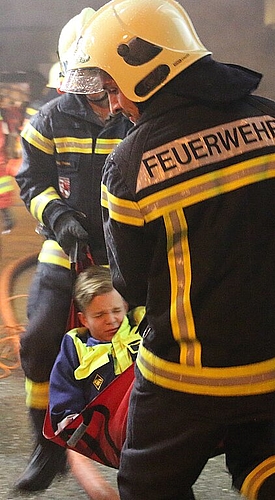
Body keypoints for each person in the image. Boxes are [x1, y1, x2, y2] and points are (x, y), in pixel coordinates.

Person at [60, 1, 275, 499]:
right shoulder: (270, 119)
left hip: (188, 376)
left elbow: (131, 284)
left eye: (112, 86)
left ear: (146, 70)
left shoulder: (130, 162)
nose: (113, 104)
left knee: (148, 484)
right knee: (261, 464)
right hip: (270, 360)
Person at [14, 7, 132, 492]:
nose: (101, 94)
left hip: (131, 254)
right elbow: (32, 181)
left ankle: (139, 443)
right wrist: (59, 217)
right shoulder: (51, 118)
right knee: (39, 341)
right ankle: (48, 447)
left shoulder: (139, 112)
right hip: (66, 252)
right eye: (88, 79)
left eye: (105, 79)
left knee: (142, 347)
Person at [48, 265, 143, 500]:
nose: (111, 320)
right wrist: (68, 418)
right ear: (84, 319)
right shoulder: (76, 347)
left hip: (153, 417)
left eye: (116, 310)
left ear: (126, 307)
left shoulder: (143, 327)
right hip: (109, 431)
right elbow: (64, 388)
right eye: (99, 315)